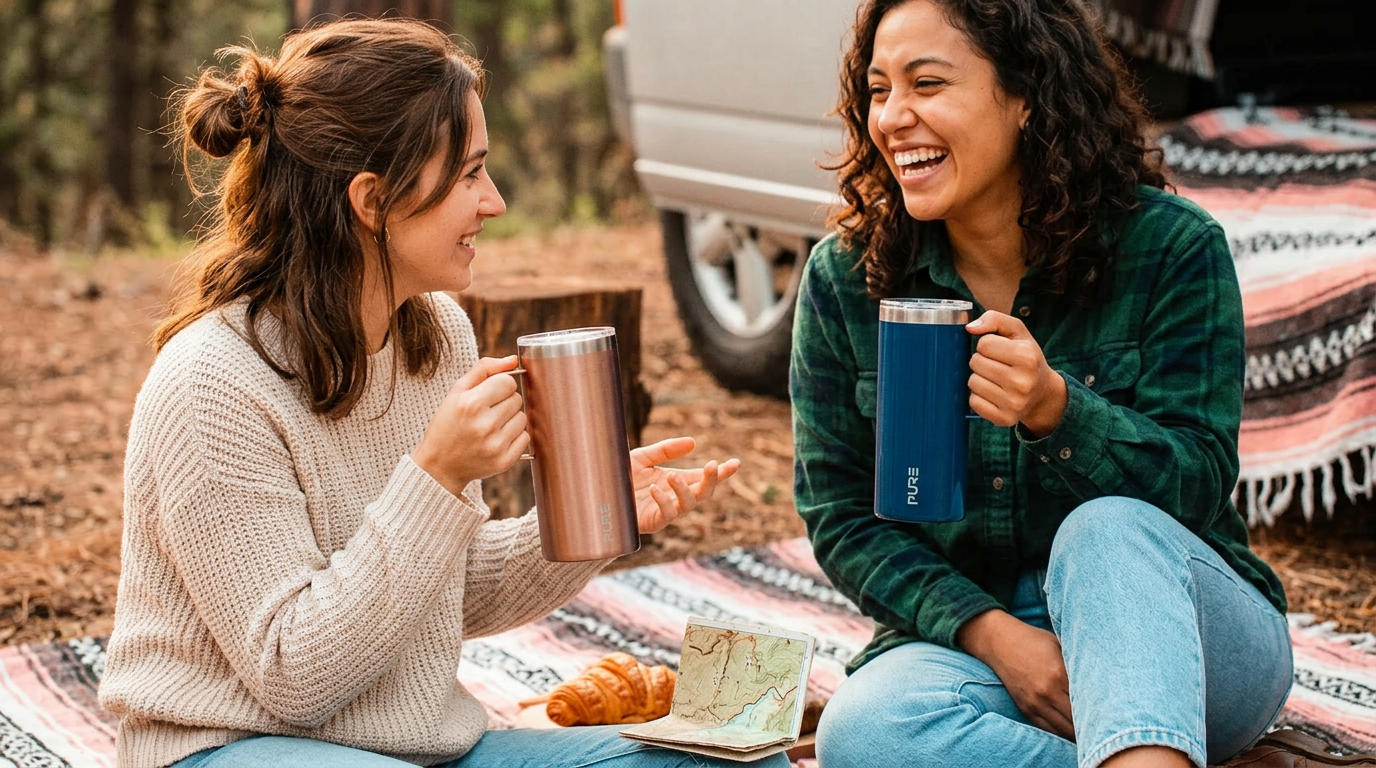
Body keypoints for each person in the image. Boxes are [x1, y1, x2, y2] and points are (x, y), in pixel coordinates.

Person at [97, 18, 788, 768]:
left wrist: (594, 515)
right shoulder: (213, 383)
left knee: (731, 760)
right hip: (232, 748)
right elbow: (292, 673)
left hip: (418, 751)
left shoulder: (436, 338)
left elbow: (442, 596)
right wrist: (436, 477)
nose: (493, 202)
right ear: (373, 200)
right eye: (469, 175)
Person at [790, 1, 1292, 767]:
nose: (893, 116)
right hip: (983, 651)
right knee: (862, 731)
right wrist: (1000, 640)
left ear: (1027, 94)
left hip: (1187, 637)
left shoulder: (1171, 249)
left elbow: (1199, 482)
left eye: (928, 83)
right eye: (879, 88)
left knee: (1103, 528)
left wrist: (1060, 412)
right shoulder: (846, 277)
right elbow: (843, 518)